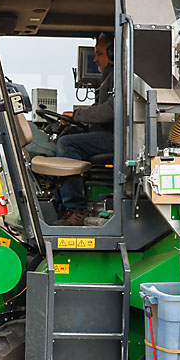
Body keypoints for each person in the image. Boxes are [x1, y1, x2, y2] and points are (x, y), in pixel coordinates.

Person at [53, 32, 115, 226]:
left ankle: (77, 209)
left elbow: (111, 110)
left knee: (67, 144)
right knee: (66, 136)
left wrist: (77, 116)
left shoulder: (120, 76)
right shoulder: (109, 77)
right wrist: (74, 121)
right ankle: (61, 209)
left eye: (99, 53)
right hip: (107, 134)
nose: (95, 59)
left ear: (112, 53)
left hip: (120, 138)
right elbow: (100, 110)